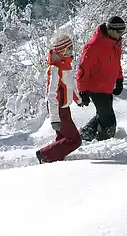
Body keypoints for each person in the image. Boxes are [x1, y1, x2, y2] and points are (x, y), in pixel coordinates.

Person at [35, 32, 83, 163]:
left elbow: (70, 85)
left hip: (64, 107)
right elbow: (52, 95)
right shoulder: (55, 69)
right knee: (75, 140)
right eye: (69, 48)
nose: (72, 51)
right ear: (62, 50)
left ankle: (55, 160)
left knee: (62, 138)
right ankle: (44, 155)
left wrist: (78, 99)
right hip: (57, 108)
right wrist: (54, 118)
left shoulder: (65, 64)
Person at [76, 16, 126, 142]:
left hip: (107, 86)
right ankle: (104, 142)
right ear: (109, 29)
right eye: (119, 32)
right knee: (109, 121)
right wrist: (82, 90)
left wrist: (119, 79)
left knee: (104, 115)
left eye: (123, 31)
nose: (121, 35)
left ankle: (86, 134)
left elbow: (116, 63)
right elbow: (83, 69)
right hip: (95, 87)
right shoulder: (94, 45)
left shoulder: (116, 42)